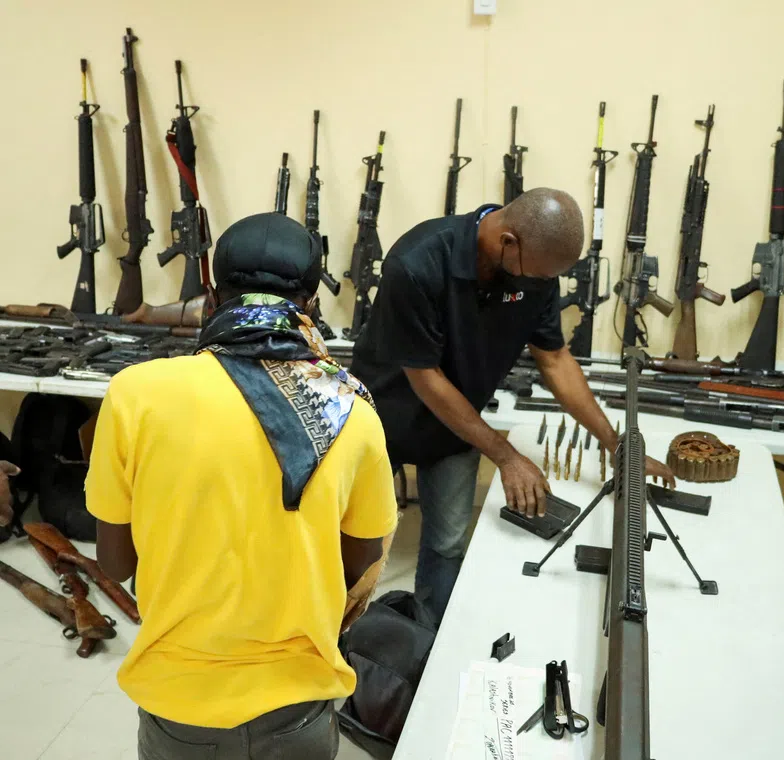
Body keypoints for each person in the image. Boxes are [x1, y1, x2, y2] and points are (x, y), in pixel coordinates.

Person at [87, 213, 399, 760]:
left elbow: (114, 565)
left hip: (178, 704)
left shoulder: (134, 394)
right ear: (312, 305)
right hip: (297, 707)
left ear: (211, 296)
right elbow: (361, 570)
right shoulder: (351, 409)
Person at [352, 188, 675, 622]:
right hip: (381, 421)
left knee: (446, 544)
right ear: (508, 242)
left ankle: (428, 641)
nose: (542, 285)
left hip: (454, 428)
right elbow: (426, 379)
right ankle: (342, 648)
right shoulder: (417, 262)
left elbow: (556, 360)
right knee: (359, 540)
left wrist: (615, 443)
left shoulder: (536, 271)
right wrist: (506, 456)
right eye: (537, 276)